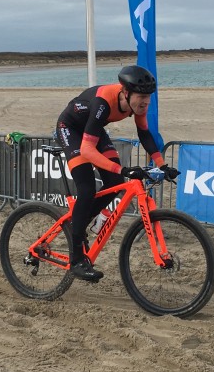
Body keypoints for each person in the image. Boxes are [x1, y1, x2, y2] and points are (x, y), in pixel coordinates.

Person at [54, 65, 179, 282]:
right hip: (71, 129)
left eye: (148, 98)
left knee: (114, 182)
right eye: (141, 97)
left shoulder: (137, 105)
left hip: (94, 128)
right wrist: (123, 168)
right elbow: (86, 150)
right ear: (125, 92)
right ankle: (76, 260)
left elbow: (145, 135)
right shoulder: (103, 102)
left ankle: (80, 223)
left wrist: (163, 165)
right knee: (86, 188)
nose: (145, 103)